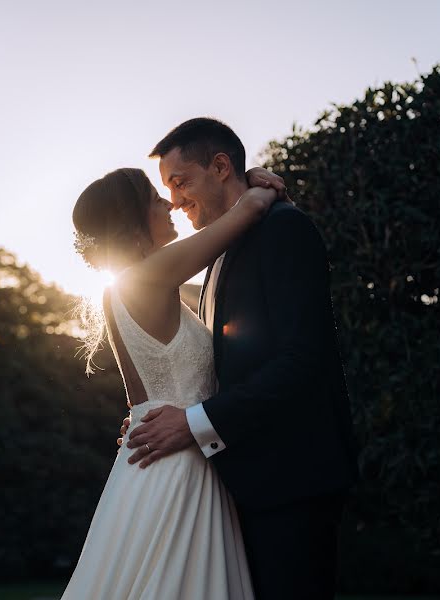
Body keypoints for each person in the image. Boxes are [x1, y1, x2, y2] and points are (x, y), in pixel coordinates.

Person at [122, 117, 360, 599]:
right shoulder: (218, 253)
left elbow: (303, 359)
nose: (174, 199)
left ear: (222, 166)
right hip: (241, 484)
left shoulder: (284, 228)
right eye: (166, 189)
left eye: (180, 182)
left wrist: (193, 422)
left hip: (292, 480)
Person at [61, 165, 282, 599]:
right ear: (134, 217)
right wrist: (248, 181)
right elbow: (249, 210)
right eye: (154, 198)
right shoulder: (150, 275)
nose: (169, 203)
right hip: (177, 465)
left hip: (160, 453)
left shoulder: (128, 285)